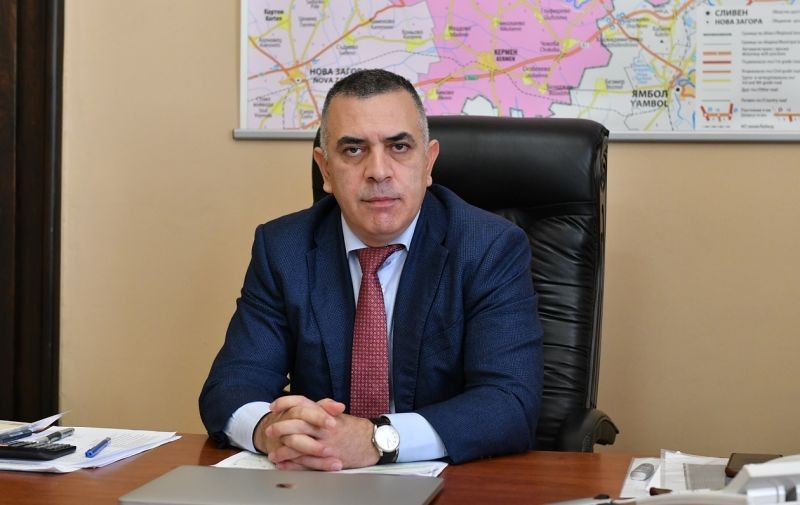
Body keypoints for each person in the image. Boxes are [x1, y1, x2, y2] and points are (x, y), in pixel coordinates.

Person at [199, 69, 543, 471]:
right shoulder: (283, 249)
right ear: (326, 170)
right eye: (353, 150)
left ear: (428, 162)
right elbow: (230, 386)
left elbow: (509, 403)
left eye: (399, 147)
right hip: (318, 482)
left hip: (450, 482)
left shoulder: (488, 248)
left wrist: (376, 439)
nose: (378, 170)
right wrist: (272, 429)